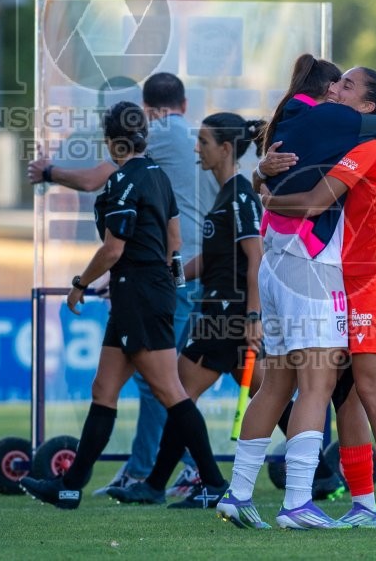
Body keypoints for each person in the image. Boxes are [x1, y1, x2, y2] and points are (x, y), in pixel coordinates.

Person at [216, 54, 376, 530]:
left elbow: (311, 194)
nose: (336, 90)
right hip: (315, 269)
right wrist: (262, 179)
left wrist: (261, 183)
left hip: (330, 272)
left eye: (347, 86)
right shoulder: (342, 132)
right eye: (336, 83)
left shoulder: (353, 138)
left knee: (311, 384)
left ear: (365, 106)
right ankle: (311, 502)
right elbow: (310, 194)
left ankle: (243, 494)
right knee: (322, 386)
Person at [19, 101, 228, 509]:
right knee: (105, 388)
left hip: (138, 293)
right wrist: (162, 281)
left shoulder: (122, 182)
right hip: (146, 290)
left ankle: (215, 481)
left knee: (170, 390)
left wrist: (80, 284)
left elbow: (113, 249)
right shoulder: (157, 174)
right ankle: (70, 487)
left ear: (113, 143)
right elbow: (175, 239)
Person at [107, 112, 268, 507]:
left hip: (226, 315)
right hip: (219, 309)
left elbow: (255, 258)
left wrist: (253, 316)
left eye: (204, 142)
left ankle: (186, 482)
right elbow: (210, 262)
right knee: (269, 395)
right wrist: (165, 275)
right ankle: (321, 470)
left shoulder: (241, 195)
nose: (197, 148)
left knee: (178, 394)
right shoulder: (225, 195)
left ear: (226, 149)